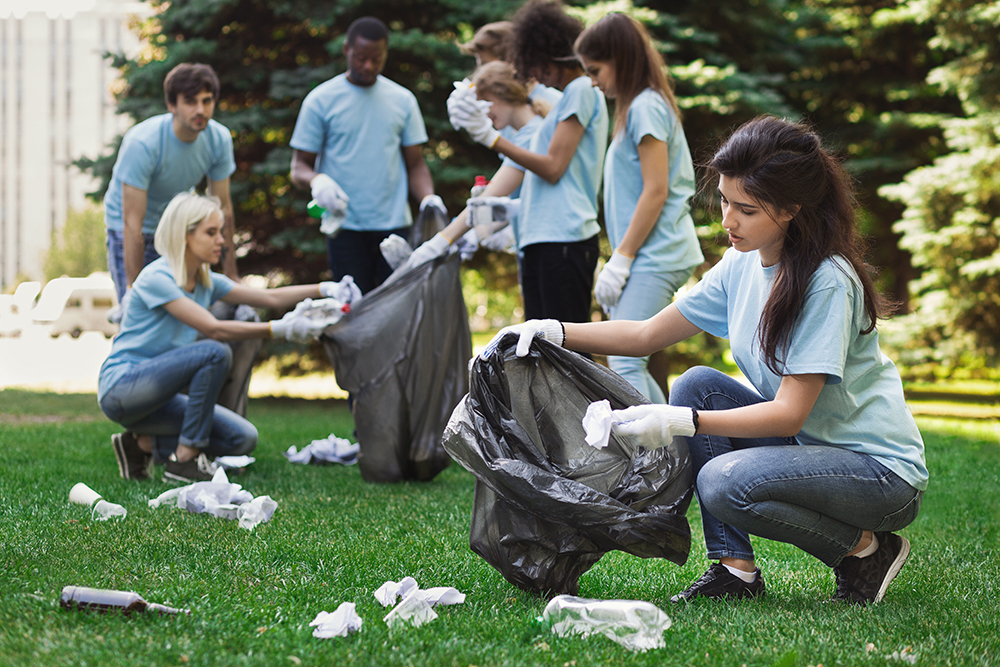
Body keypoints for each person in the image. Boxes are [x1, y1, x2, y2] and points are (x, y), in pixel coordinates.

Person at [488, 116, 928, 606]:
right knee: (696, 382)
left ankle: (866, 549)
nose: (727, 221)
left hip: (879, 474)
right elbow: (647, 333)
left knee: (721, 482)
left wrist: (681, 422)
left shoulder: (825, 281)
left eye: (746, 209)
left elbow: (789, 412)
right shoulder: (743, 260)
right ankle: (734, 570)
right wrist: (552, 331)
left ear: (790, 210)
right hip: (811, 449)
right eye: (723, 199)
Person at [99, 193, 349, 483]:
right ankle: (184, 461)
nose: (222, 240)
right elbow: (213, 329)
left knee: (242, 438)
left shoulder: (207, 281)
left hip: (161, 400)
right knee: (214, 352)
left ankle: (138, 445)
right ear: (184, 235)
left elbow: (270, 296)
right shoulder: (157, 278)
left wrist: (325, 288)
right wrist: (277, 329)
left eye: (221, 232)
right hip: (123, 389)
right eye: (211, 232)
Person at [449, 0, 608, 325]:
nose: (533, 72)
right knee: (542, 353)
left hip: (565, 238)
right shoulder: (563, 100)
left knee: (566, 354)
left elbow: (552, 167)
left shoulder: (581, 90)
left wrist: (492, 139)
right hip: (543, 239)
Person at [574, 13, 704, 402]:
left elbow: (656, 190)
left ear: (620, 58)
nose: (593, 81)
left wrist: (622, 258)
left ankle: (669, 455)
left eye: (595, 70)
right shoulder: (637, 107)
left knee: (626, 359)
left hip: (657, 253)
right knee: (626, 358)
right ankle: (666, 453)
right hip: (649, 253)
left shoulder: (646, 107)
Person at [289, 16, 445, 295]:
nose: (368, 66)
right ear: (347, 50)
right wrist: (318, 181)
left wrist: (429, 200)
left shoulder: (403, 100)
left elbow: (416, 164)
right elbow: (299, 167)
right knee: (353, 311)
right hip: (344, 228)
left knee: (396, 309)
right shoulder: (320, 100)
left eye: (377, 58)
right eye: (361, 57)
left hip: (395, 226)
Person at [104, 63, 239, 306]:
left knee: (183, 308)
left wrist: (231, 275)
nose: (200, 109)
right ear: (172, 105)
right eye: (190, 101)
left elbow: (224, 210)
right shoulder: (143, 143)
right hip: (132, 227)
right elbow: (132, 224)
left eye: (207, 101)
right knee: (140, 310)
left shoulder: (218, 139)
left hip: (177, 227)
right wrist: (133, 289)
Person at [407, 61, 544, 264]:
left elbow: (494, 192)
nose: (485, 113)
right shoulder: (521, 135)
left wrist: (440, 241)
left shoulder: (533, 135)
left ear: (504, 92)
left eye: (486, 102)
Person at [456, 20, 562, 110]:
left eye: (486, 66)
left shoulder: (555, 103)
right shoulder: (493, 108)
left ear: (511, 62)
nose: (481, 75)